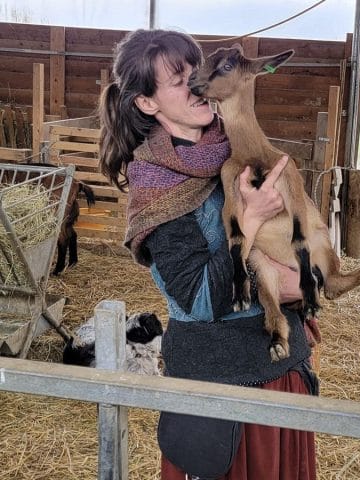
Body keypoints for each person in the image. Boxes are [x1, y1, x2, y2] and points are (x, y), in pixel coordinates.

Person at [99, 28, 319, 480]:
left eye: (195, 71)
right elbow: (199, 298)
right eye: (179, 80)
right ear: (147, 102)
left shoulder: (239, 151)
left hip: (283, 375)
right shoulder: (157, 187)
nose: (195, 83)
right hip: (219, 398)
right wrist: (252, 221)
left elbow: (306, 254)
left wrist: (312, 279)